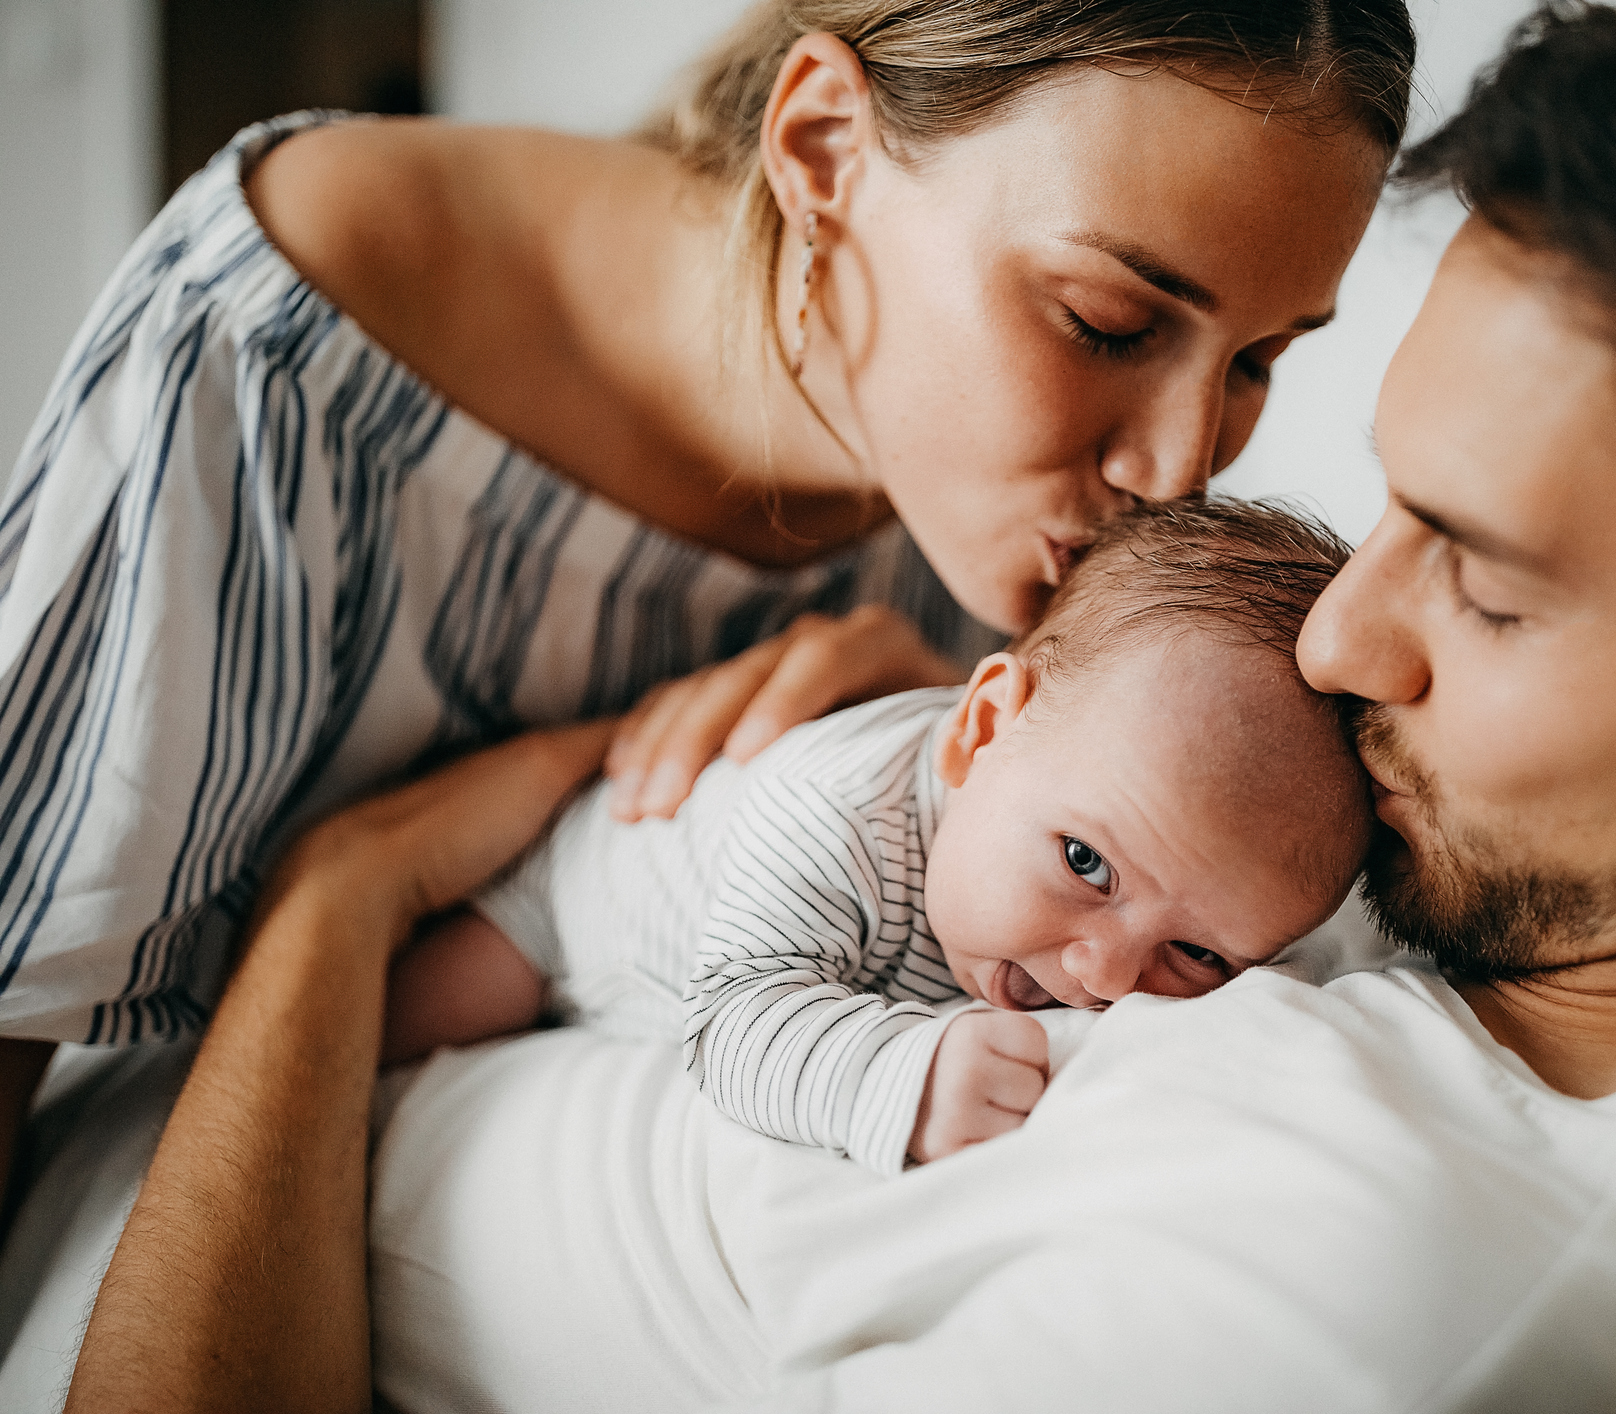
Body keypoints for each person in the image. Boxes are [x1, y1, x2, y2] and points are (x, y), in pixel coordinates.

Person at [19, 0, 1616, 1409]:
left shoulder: (1364, 1264)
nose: (1313, 625)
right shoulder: (1077, 619)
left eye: (1474, 576)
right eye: (1114, 319)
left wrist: (353, 891)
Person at [0, 0, 1413, 1203]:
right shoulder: (275, 339)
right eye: (1107, 322)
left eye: (1257, 362)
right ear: (820, 148)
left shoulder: (1009, 539)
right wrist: (375, 882)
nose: (1175, 467)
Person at [382, 500, 1370, 1172]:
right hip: (567, 899)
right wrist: (901, 1073)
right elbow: (730, 1021)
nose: (1105, 973)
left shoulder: (1095, 828)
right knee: (382, 1064)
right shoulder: (839, 813)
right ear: (982, 730)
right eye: (1085, 863)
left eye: (1195, 953)